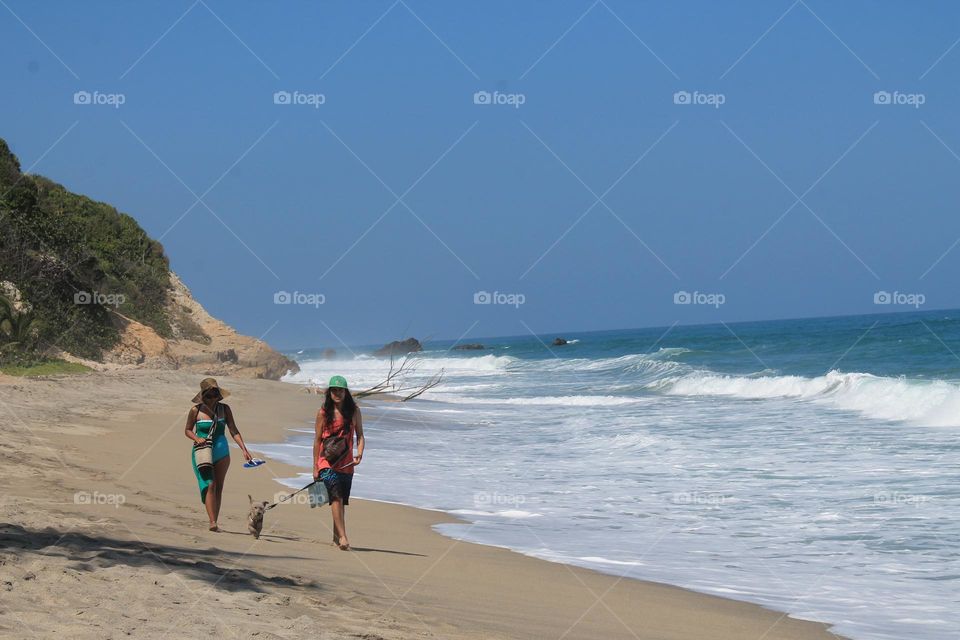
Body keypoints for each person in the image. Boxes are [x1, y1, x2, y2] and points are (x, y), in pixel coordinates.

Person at [184, 378, 254, 531]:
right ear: (203, 396)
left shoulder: (225, 409)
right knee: (210, 484)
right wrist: (196, 438)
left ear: (218, 395)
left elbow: (233, 430)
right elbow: (187, 430)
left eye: (215, 394)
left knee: (219, 487)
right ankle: (212, 522)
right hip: (202, 451)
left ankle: (215, 519)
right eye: (209, 395)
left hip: (222, 451)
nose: (212, 398)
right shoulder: (195, 410)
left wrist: (244, 449)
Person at [313, 375, 365, 550]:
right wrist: (315, 467)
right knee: (335, 496)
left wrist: (360, 453)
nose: (337, 393)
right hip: (325, 461)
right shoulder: (322, 413)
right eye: (333, 390)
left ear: (346, 392)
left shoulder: (354, 411)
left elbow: (360, 435)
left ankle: (336, 538)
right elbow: (317, 440)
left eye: (340, 390)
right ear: (329, 392)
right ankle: (344, 537)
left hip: (347, 463)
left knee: (341, 500)